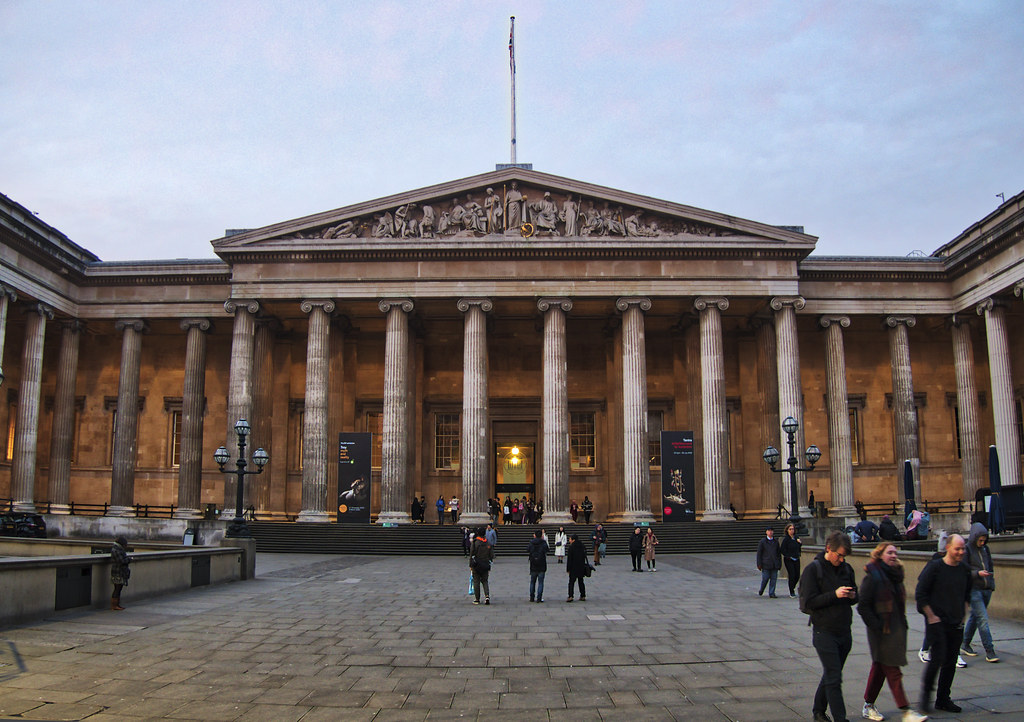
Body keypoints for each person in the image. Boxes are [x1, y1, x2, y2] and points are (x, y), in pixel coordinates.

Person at [857, 543, 927, 722]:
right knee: (893, 669)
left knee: (880, 668)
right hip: (880, 631)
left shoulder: (895, 576)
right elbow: (863, 606)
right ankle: (906, 711)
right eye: (889, 552)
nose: (894, 555)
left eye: (895, 552)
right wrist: (877, 626)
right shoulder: (872, 577)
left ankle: (868, 705)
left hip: (895, 628)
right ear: (880, 555)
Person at [800, 530, 857, 722]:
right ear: (828, 549)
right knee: (834, 677)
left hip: (844, 631)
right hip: (824, 631)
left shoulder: (847, 569)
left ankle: (818, 710)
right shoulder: (813, 569)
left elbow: (854, 596)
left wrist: (852, 596)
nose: (841, 559)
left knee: (831, 674)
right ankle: (841, 718)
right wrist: (835, 594)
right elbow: (807, 603)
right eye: (839, 555)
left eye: (844, 556)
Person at [915, 533, 971, 714]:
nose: (961, 552)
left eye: (963, 548)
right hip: (937, 622)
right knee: (937, 660)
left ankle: (943, 699)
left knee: (950, 662)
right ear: (948, 548)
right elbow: (921, 594)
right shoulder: (935, 568)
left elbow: (967, 595)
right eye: (958, 549)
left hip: (956, 623)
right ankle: (925, 698)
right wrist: (931, 616)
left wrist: (963, 615)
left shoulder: (964, 569)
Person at [961, 522, 998, 662]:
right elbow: (964, 571)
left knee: (976, 617)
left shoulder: (985, 549)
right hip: (974, 588)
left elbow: (990, 567)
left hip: (986, 588)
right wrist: (977, 573)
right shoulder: (967, 549)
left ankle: (965, 644)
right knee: (983, 619)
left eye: (984, 540)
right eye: (980, 540)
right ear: (974, 537)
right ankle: (990, 650)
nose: (982, 543)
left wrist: (991, 585)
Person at [469, 526, 494, 605]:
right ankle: (487, 596)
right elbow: (491, 555)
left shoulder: (475, 542)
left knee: (476, 581)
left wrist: (471, 565)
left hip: (477, 564)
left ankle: (477, 599)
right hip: (485, 564)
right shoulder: (488, 543)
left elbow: (471, 553)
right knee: (485, 581)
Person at [756, 526, 782, 598]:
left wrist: (779, 563)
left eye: (771, 531)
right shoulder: (763, 542)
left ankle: (772, 592)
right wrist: (759, 564)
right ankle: (762, 589)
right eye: (769, 531)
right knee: (765, 578)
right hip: (766, 564)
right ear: (766, 532)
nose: (770, 532)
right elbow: (759, 554)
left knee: (773, 579)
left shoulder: (776, 542)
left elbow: (778, 554)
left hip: (774, 564)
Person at [780, 523, 802, 598]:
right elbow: (782, 549)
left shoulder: (796, 537)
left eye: (793, 529)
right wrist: (788, 556)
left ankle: (793, 586)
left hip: (796, 558)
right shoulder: (786, 539)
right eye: (790, 529)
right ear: (787, 530)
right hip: (789, 559)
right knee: (792, 574)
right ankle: (791, 591)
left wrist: (800, 543)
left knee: (797, 575)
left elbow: (798, 547)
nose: (792, 531)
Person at [527, 529, 549, 602]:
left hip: (533, 564)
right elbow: (547, 549)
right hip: (542, 564)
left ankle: (531, 597)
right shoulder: (543, 542)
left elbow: (527, 549)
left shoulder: (531, 542)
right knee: (541, 582)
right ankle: (539, 598)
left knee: (532, 582)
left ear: (535, 535)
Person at [110, 535, 131, 611]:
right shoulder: (116, 550)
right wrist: (128, 560)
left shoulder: (117, 549)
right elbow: (121, 561)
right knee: (117, 589)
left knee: (119, 589)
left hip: (119, 571)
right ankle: (114, 605)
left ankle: (117, 604)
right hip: (118, 572)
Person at [566, 534, 588, 602]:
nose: (569, 541)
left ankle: (570, 596)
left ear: (573, 540)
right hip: (581, 566)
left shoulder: (571, 547)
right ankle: (583, 595)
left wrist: (568, 569)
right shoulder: (582, 546)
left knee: (571, 582)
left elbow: (569, 559)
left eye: (570, 539)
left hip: (573, 567)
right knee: (581, 581)